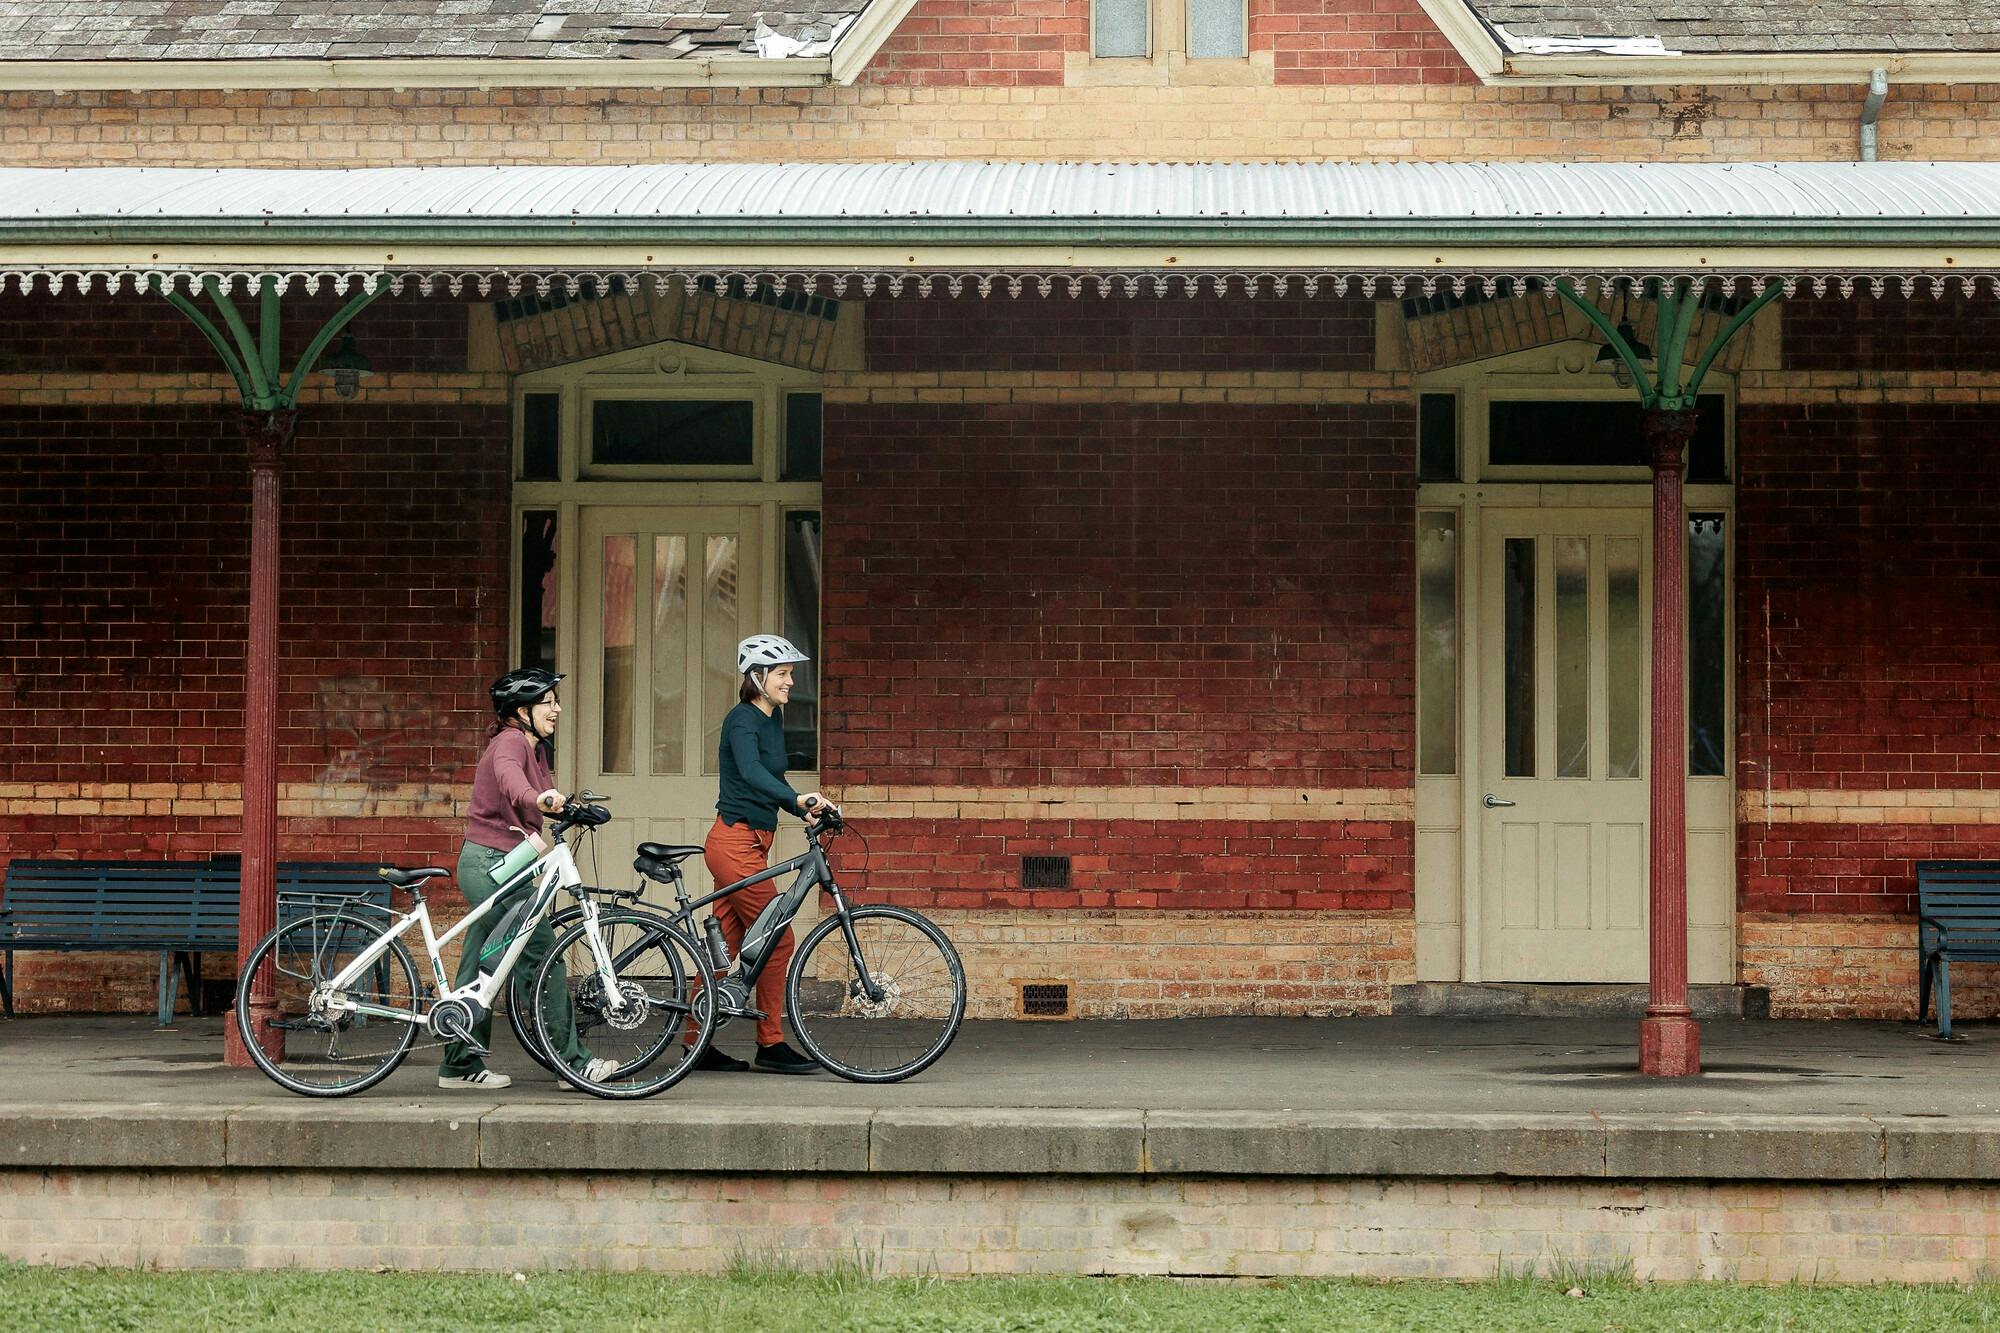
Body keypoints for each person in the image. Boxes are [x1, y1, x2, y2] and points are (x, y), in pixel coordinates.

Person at [437, 667, 618, 1090]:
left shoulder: (535, 750)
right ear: (523, 710)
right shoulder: (510, 742)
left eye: (556, 700)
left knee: (480, 965)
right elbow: (511, 782)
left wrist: (571, 807)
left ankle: (458, 1066)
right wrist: (538, 797)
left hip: (503, 863)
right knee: (541, 954)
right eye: (548, 701)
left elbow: (542, 798)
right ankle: (573, 1064)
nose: (557, 708)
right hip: (490, 864)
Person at [693, 634, 835, 1075]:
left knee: (727, 945)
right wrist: (796, 801)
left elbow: (768, 778)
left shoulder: (771, 720)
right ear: (757, 677)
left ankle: (692, 1045)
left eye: (790, 673)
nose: (791, 681)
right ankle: (771, 1043)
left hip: (751, 841)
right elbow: (752, 772)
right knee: (779, 937)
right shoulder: (742, 720)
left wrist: (802, 810)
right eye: (783, 673)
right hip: (734, 844)